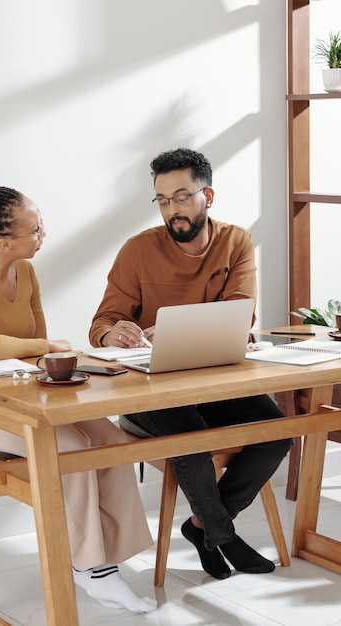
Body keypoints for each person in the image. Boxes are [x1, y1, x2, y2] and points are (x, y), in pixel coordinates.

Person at [0, 174, 156, 613]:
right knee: (71, 446)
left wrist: (51, 353)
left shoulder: (28, 271)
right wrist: (46, 348)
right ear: (1, 240)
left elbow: (35, 346)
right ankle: (92, 570)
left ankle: (111, 558)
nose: (43, 235)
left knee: (112, 440)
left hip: (27, 396)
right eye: (34, 230)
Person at [89, 148, 292, 581]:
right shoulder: (138, 250)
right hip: (150, 390)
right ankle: (224, 535)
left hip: (215, 382)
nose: (172, 211)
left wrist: (182, 328)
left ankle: (203, 526)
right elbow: (101, 324)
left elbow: (242, 312)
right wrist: (115, 332)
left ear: (208, 195)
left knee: (277, 433)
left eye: (181, 197)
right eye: (162, 201)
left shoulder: (236, 241)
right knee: (191, 435)